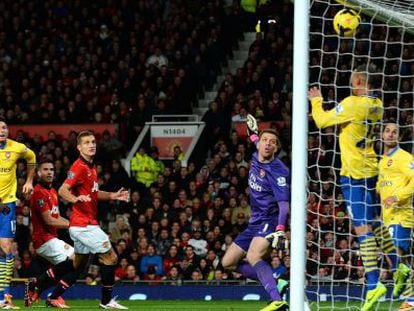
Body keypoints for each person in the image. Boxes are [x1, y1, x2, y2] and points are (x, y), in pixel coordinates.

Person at [309, 64, 395, 311]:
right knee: (375, 224)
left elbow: (322, 121)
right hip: (370, 170)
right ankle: (398, 264)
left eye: (351, 79)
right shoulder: (377, 104)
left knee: (362, 230)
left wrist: (316, 100)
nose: (349, 83)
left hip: (354, 174)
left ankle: (373, 283)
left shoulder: (353, 103)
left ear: (359, 81)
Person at [221, 115, 290, 311]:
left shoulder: (278, 170)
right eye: (265, 141)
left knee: (253, 256)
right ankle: (276, 280)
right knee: (228, 263)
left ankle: (277, 300)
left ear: (276, 148)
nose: (268, 144)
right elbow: (253, 138)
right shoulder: (255, 154)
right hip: (254, 222)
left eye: (273, 143)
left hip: (270, 220)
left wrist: (280, 228)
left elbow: (284, 204)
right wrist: (253, 130)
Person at [58, 130, 129, 309]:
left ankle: (45, 289)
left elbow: (95, 194)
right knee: (111, 257)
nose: (92, 145)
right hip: (84, 224)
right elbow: (62, 190)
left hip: (84, 224)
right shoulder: (79, 167)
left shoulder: (91, 167)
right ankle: (106, 302)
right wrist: (76, 199)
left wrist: (113, 195)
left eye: (93, 142)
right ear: (79, 147)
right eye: (87, 142)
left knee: (77, 265)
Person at [26, 160, 77, 308]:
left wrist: (73, 224)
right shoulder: (38, 193)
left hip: (51, 239)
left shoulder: (53, 192)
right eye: (46, 169)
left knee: (71, 268)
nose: (49, 172)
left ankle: (41, 289)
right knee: (76, 258)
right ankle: (47, 291)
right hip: (44, 240)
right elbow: (49, 220)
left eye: (52, 169)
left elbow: (56, 217)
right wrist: (73, 224)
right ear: (38, 173)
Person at [377, 123, 414, 310]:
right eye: (387, 131)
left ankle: (408, 295)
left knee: (397, 253)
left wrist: (397, 197)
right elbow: (381, 187)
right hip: (387, 216)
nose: (390, 134)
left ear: (399, 136)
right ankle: (411, 300)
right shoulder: (382, 161)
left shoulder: (404, 157)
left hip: (401, 215)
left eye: (395, 132)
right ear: (382, 134)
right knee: (403, 260)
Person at [0, 117, 36, 309]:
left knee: (6, 249)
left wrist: (29, 181)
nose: (2, 130)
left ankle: (4, 298)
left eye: (4, 127)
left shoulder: (16, 147)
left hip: (7, 206)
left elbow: (32, 158)